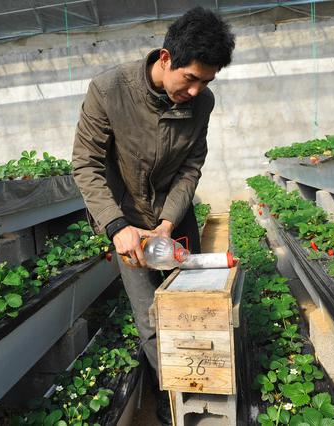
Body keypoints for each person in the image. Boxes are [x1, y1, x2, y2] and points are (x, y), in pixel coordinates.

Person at [72, 7, 235, 424]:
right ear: (166, 58)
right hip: (127, 224)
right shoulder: (109, 90)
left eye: (206, 81)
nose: (197, 91)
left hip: (173, 219)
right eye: (191, 78)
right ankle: (174, 398)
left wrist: (168, 221)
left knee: (191, 304)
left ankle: (204, 386)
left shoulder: (203, 104)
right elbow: (86, 164)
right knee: (151, 318)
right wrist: (116, 226)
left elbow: (190, 167)